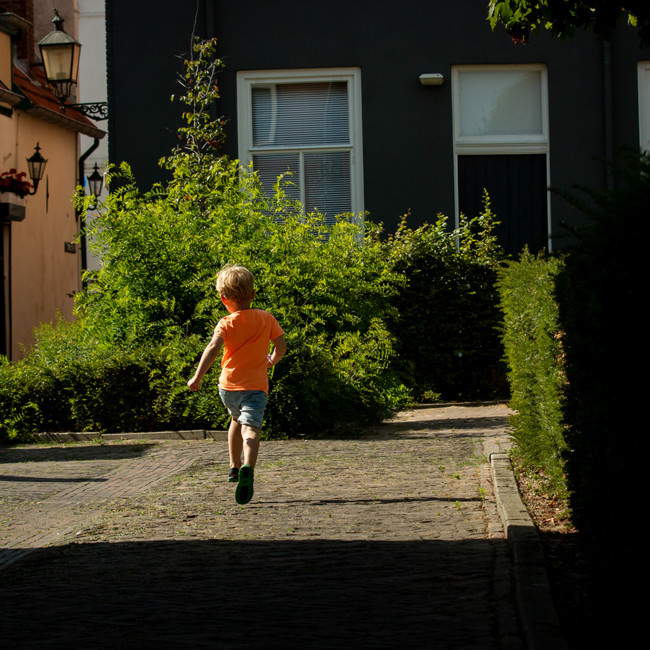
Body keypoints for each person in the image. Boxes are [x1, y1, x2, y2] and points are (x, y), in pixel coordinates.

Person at [187, 265, 286, 505]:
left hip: (228, 387)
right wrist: (273, 359)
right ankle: (247, 467)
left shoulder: (225, 323)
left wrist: (197, 377)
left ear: (223, 299)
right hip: (255, 387)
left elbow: (212, 349)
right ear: (252, 294)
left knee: (235, 420)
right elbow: (281, 345)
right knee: (250, 429)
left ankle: (233, 466)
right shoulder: (266, 317)